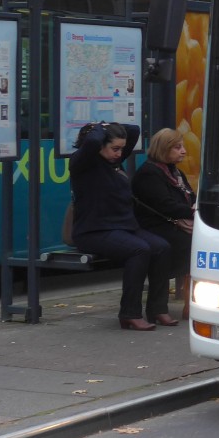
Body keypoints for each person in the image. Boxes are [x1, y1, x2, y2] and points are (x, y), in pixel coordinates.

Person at [69, 121, 175, 331]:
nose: (120, 153)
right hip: (94, 231)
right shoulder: (83, 163)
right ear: (100, 146)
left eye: (121, 149)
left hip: (123, 228)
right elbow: (90, 142)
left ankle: (157, 309)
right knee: (139, 250)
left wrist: (109, 125)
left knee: (162, 247)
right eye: (115, 148)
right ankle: (129, 313)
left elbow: (134, 130)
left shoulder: (113, 162)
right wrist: (99, 128)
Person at [131, 128, 196, 318]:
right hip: (155, 226)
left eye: (182, 146)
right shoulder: (149, 173)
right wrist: (193, 211)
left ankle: (191, 303)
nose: (183, 151)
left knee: (202, 245)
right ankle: (164, 308)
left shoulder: (175, 171)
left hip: (173, 223)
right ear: (163, 149)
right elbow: (164, 205)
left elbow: (190, 196)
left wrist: (195, 207)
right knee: (189, 245)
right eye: (177, 147)